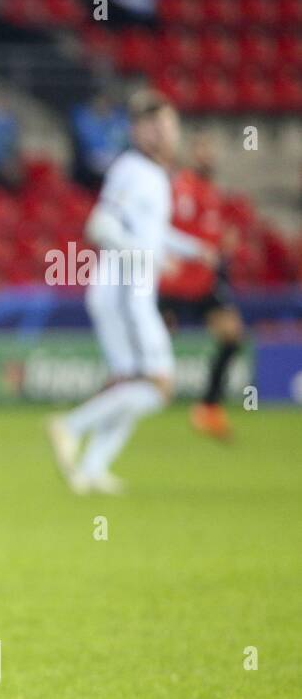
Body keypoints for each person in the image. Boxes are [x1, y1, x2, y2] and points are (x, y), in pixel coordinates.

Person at [48, 91, 216, 494]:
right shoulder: (132, 169)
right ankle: (70, 426)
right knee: (159, 386)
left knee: (130, 383)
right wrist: (149, 258)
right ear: (138, 131)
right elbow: (100, 227)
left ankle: (91, 468)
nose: (165, 133)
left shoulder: (155, 175)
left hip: (129, 290)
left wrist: (192, 249)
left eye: (169, 125)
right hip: (123, 292)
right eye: (155, 126)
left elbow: (152, 232)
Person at [160, 133, 243, 439]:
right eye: (202, 151)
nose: (208, 157)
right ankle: (116, 396)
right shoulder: (183, 188)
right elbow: (168, 227)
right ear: (192, 156)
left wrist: (223, 243)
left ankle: (208, 408)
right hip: (176, 282)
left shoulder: (211, 191)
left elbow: (209, 233)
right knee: (152, 344)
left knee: (232, 336)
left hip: (205, 282)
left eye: (211, 151)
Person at [70, 92, 129, 191]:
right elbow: (90, 149)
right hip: (88, 171)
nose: (103, 106)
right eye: (100, 102)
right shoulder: (83, 117)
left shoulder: (119, 118)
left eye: (107, 103)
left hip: (116, 166)